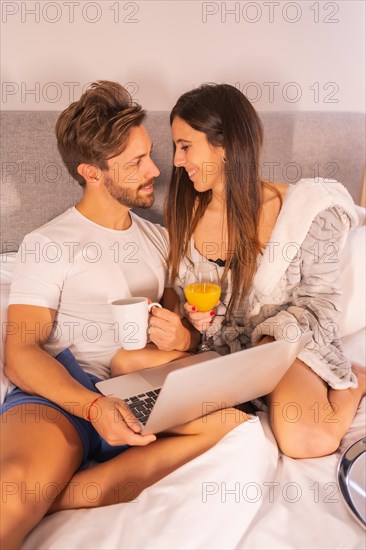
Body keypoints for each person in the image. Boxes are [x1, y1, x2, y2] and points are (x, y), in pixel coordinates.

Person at [0, 81, 249, 549]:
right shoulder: (50, 243)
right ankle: (46, 488)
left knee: (237, 427)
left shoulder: (159, 239)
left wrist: (184, 341)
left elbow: (186, 332)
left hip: (141, 389)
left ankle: (64, 493)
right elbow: (20, 353)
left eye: (150, 153)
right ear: (91, 172)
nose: (157, 169)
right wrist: (94, 407)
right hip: (64, 398)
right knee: (13, 489)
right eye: (136, 162)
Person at [163, 83, 365, 460]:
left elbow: (321, 306)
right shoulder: (187, 215)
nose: (176, 160)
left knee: (306, 440)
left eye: (185, 145)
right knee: (148, 394)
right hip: (227, 358)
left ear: (225, 145)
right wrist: (192, 319)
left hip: (290, 347)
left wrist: (270, 344)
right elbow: (185, 297)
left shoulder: (304, 211)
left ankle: (358, 381)